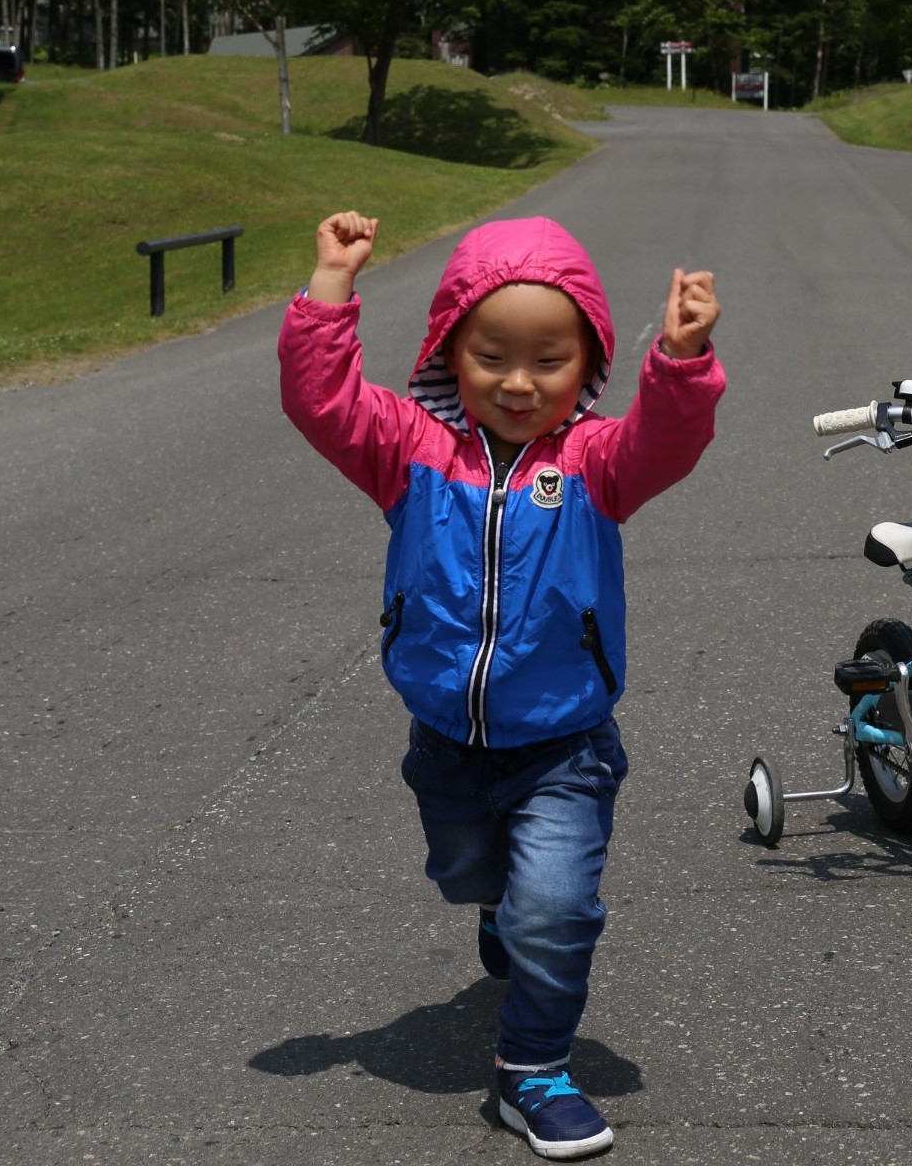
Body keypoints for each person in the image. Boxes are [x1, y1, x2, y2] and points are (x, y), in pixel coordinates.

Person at [278, 211, 724, 1161]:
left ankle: (533, 1071)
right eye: (491, 357)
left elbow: (667, 443)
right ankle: (495, 907)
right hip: (444, 738)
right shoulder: (410, 453)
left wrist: (681, 363)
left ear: (588, 365)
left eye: (548, 361)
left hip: (564, 745)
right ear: (449, 355)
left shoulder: (595, 462)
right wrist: (330, 289)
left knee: (555, 910)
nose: (519, 384)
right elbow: (322, 402)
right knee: (471, 878)